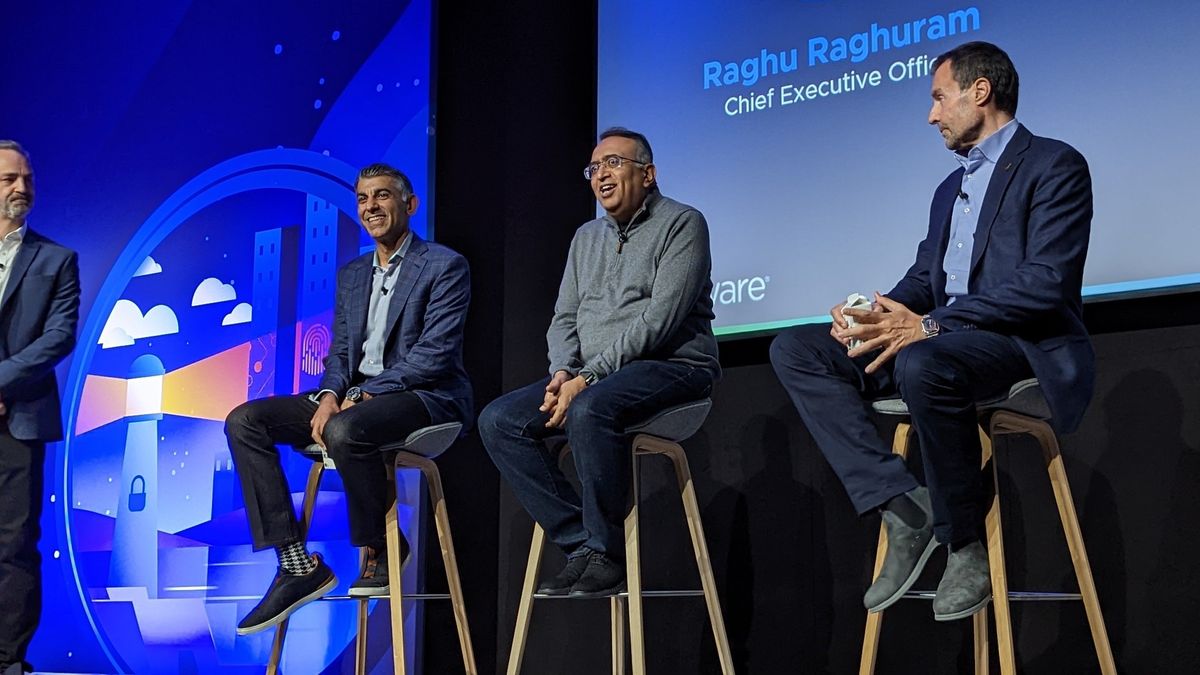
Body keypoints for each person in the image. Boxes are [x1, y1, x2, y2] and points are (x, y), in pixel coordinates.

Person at [770, 41, 1094, 621]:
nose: (931, 114)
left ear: (980, 92)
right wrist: (875, 317)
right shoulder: (950, 189)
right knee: (797, 348)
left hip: (1018, 343)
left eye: (939, 98)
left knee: (925, 361)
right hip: (943, 339)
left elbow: (1045, 283)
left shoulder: (1054, 165)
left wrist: (930, 325)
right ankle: (902, 506)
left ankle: (962, 542)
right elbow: (926, 277)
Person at [224, 163, 472, 635]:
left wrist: (360, 394)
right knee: (245, 420)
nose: (371, 207)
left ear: (409, 205)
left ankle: (381, 543)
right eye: (362, 198)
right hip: (354, 400)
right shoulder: (353, 274)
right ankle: (296, 564)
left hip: (425, 396)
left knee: (345, 429)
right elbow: (340, 351)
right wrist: (331, 394)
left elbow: (433, 357)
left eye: (381, 196)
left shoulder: (444, 266)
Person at [480, 127, 721, 597]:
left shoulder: (683, 223)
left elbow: (660, 320)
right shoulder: (585, 237)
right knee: (499, 421)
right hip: (592, 375)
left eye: (614, 163)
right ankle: (581, 544)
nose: (601, 175)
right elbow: (564, 315)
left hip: (674, 364)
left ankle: (605, 552)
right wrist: (563, 372)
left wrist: (588, 378)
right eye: (594, 168)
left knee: (591, 409)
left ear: (647, 174)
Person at [0, 141, 80, 675]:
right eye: (9, 179)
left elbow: (59, 337)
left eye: (27, 179)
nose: (21, 189)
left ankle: (7, 661)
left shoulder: (57, 260)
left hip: (20, 419)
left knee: (13, 543)